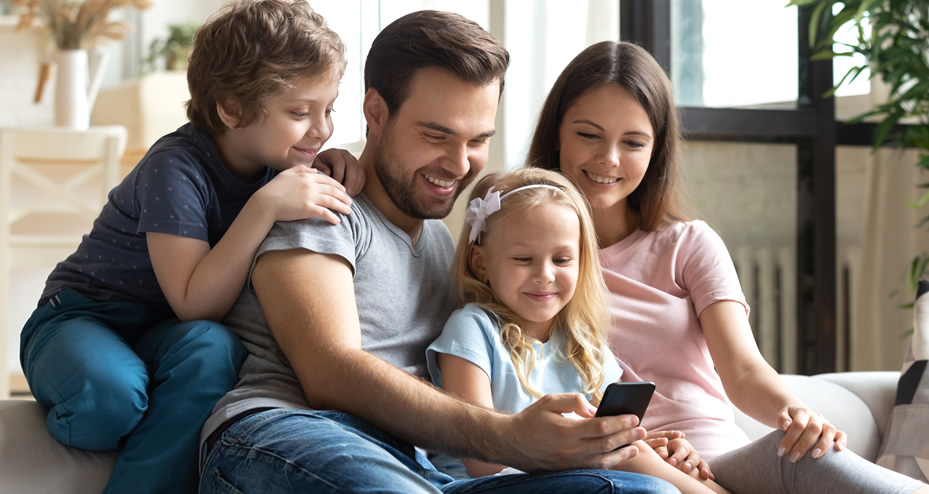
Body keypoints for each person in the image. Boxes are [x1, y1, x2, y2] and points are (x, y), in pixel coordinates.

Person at [198, 11, 681, 494]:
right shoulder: (321, 205)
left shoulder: (442, 242)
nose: (458, 163)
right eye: (436, 135)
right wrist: (510, 437)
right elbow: (331, 372)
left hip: (420, 468)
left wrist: (614, 442)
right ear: (376, 112)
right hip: (286, 434)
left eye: (478, 141)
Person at [526, 39, 929, 494]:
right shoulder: (526, 264)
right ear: (557, 132)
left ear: (656, 150)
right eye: (588, 135)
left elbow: (742, 370)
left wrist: (797, 414)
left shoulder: (688, 244)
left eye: (633, 142)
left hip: (722, 462)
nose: (609, 159)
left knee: (810, 457)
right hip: (628, 468)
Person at [18, 1, 362, 493]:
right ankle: (100, 405)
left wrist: (343, 166)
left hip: (161, 336)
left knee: (215, 348)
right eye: (300, 112)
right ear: (231, 108)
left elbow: (196, 324)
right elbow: (194, 301)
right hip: (81, 317)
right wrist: (263, 207)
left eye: (328, 109)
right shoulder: (175, 167)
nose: (322, 129)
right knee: (110, 400)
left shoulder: (280, 163)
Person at [426, 167, 730, 494]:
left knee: (644, 459)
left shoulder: (582, 344)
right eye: (524, 258)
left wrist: (652, 447)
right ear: (481, 263)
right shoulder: (472, 328)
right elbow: (481, 456)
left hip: (570, 480)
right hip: (485, 484)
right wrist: (588, 445)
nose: (544, 274)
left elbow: (617, 438)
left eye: (561, 259)